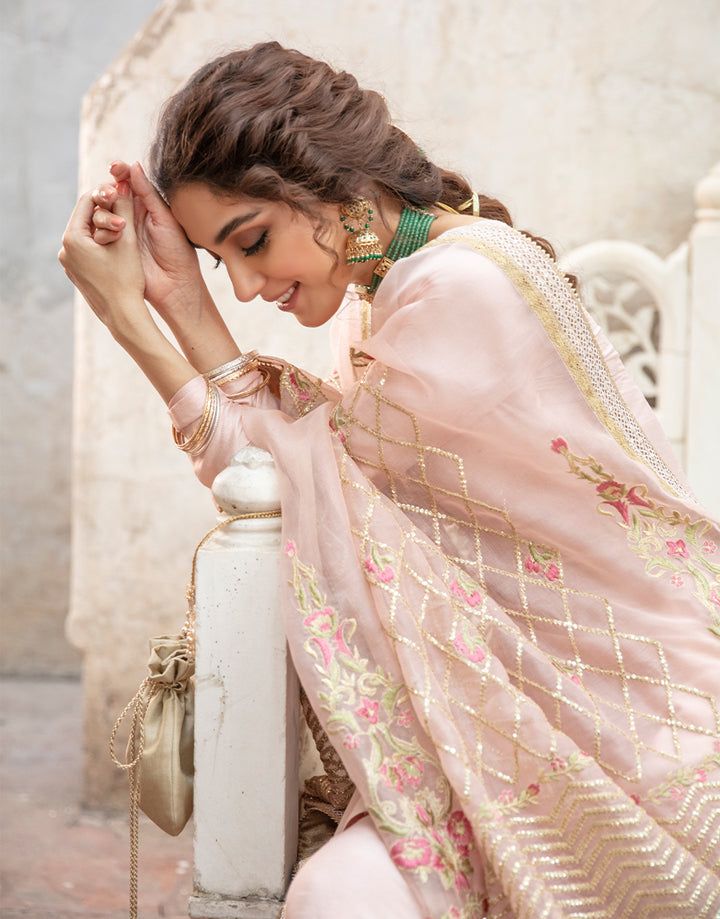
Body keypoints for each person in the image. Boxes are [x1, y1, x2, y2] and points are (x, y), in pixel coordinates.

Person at [59, 41, 719, 918]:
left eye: (252, 241)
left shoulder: (459, 289)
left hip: (627, 724)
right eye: (225, 261)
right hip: (494, 717)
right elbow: (305, 476)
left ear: (330, 181)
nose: (249, 288)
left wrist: (130, 317)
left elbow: (287, 481)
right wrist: (177, 299)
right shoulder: (396, 284)